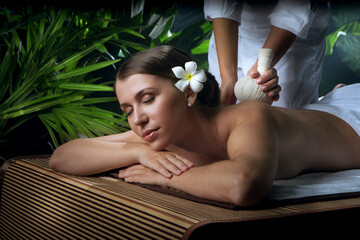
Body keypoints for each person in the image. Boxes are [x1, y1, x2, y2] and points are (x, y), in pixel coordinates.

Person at [49, 46, 360, 206]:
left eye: (148, 99)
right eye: (127, 109)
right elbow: (62, 157)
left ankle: (339, 95)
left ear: (188, 93)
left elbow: (244, 185)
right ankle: (331, 97)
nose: (137, 119)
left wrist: (164, 178)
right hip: (320, 115)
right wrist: (141, 156)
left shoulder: (248, 117)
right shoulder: (157, 136)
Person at [204, 0, 330, 107]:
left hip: (291, 35)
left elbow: (293, 10)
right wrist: (227, 77)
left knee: (283, 118)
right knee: (222, 105)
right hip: (231, 31)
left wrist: (262, 67)